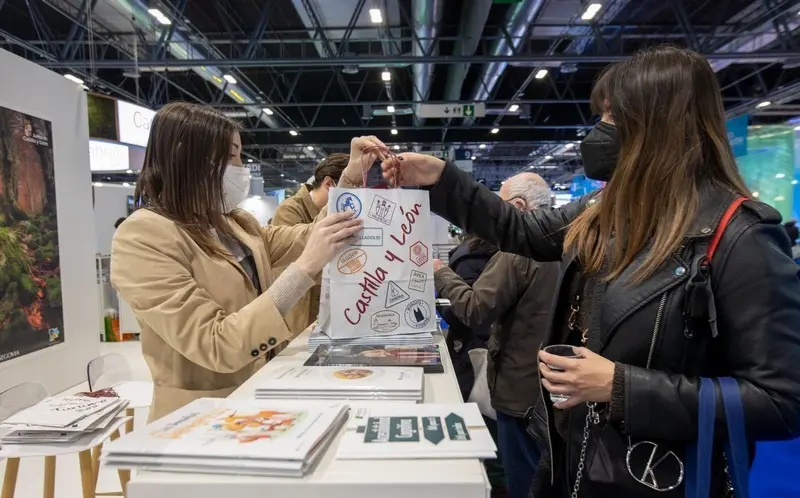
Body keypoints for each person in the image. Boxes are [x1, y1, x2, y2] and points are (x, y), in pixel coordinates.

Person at [378, 46, 800, 497]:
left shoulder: (740, 236)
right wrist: (442, 176)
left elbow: (782, 400)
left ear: (654, 127)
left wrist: (623, 387)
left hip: (653, 476)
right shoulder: (607, 210)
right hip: (575, 457)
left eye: (613, 118)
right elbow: (521, 230)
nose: (599, 133)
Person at [111, 101, 385, 420]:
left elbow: (308, 236)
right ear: (186, 157)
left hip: (263, 398)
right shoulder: (143, 236)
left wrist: (349, 180)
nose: (241, 167)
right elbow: (214, 343)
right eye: (230, 156)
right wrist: (306, 268)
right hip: (200, 418)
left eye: (240, 155)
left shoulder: (234, 223)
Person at [433, 173, 560, 498]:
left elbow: (476, 309)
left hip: (519, 391)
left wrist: (440, 273)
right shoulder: (572, 243)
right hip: (560, 390)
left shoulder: (518, 251)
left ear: (517, 207)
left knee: (521, 480)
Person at [270, 154, 349, 333]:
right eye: (349, 191)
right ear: (329, 185)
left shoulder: (337, 213)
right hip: (299, 315)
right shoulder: (290, 210)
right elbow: (297, 262)